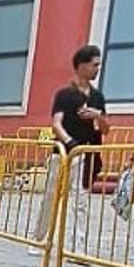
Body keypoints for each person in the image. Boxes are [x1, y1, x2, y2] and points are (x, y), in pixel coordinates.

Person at [51, 45, 109, 192]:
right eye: (94, 65)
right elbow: (56, 124)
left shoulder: (97, 97)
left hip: (88, 155)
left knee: (80, 200)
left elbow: (106, 129)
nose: (97, 69)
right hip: (64, 153)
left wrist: (97, 116)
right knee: (52, 197)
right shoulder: (64, 94)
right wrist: (69, 142)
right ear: (82, 66)